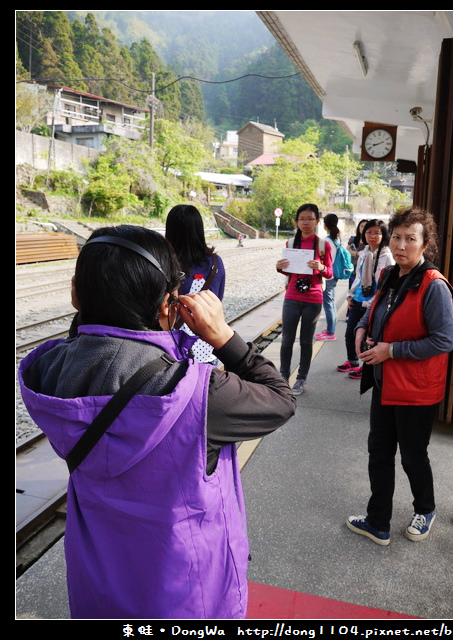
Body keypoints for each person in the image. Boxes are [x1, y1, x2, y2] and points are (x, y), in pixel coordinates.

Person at [18, 225, 296, 619]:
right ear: (169, 305)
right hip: (187, 590)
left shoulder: (48, 371)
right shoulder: (198, 392)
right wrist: (223, 336)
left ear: (75, 295)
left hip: (97, 577)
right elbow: (281, 400)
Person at [346, 207, 453, 546]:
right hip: (384, 383)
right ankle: (378, 521)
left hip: (416, 391)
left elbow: (443, 340)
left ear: (425, 244)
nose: (401, 245)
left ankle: (426, 508)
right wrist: (363, 327)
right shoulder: (390, 275)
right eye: (397, 237)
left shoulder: (433, 286)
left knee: (412, 456)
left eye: (411, 239)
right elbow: (377, 310)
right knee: (378, 452)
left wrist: (391, 351)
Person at [276, 204, 333, 395]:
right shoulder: (290, 244)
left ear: (317, 221)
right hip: (292, 295)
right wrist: (279, 267)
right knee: (287, 340)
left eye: (310, 218)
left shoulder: (323, 245)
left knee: (306, 341)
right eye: (302, 219)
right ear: (297, 222)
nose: (306, 222)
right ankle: (283, 377)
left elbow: (330, 273)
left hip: (313, 297)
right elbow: (288, 270)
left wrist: (322, 267)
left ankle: (301, 379)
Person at [165, 204, 225, 364]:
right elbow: (217, 300)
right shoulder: (215, 263)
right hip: (205, 347)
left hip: (169, 349)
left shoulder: (164, 263)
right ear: (199, 229)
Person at [337, 219, 394, 379]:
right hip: (358, 299)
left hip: (374, 303)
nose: (373, 236)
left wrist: (375, 303)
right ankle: (353, 361)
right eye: (369, 232)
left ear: (384, 235)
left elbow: (385, 284)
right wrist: (349, 295)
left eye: (377, 232)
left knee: (369, 338)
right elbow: (359, 277)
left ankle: (365, 368)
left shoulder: (387, 256)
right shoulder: (365, 253)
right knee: (350, 333)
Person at [316, 213, 341, 341]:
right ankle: (330, 330)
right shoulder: (336, 239)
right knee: (330, 303)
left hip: (328, 276)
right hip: (334, 274)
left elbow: (324, 260)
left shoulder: (326, 241)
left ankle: (331, 332)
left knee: (329, 304)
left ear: (325, 225)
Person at [347, 219, 368, 287]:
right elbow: (347, 251)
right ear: (358, 228)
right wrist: (357, 254)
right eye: (362, 226)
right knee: (351, 290)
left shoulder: (370, 240)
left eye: (365, 226)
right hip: (353, 269)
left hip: (365, 270)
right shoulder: (353, 239)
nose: (363, 228)